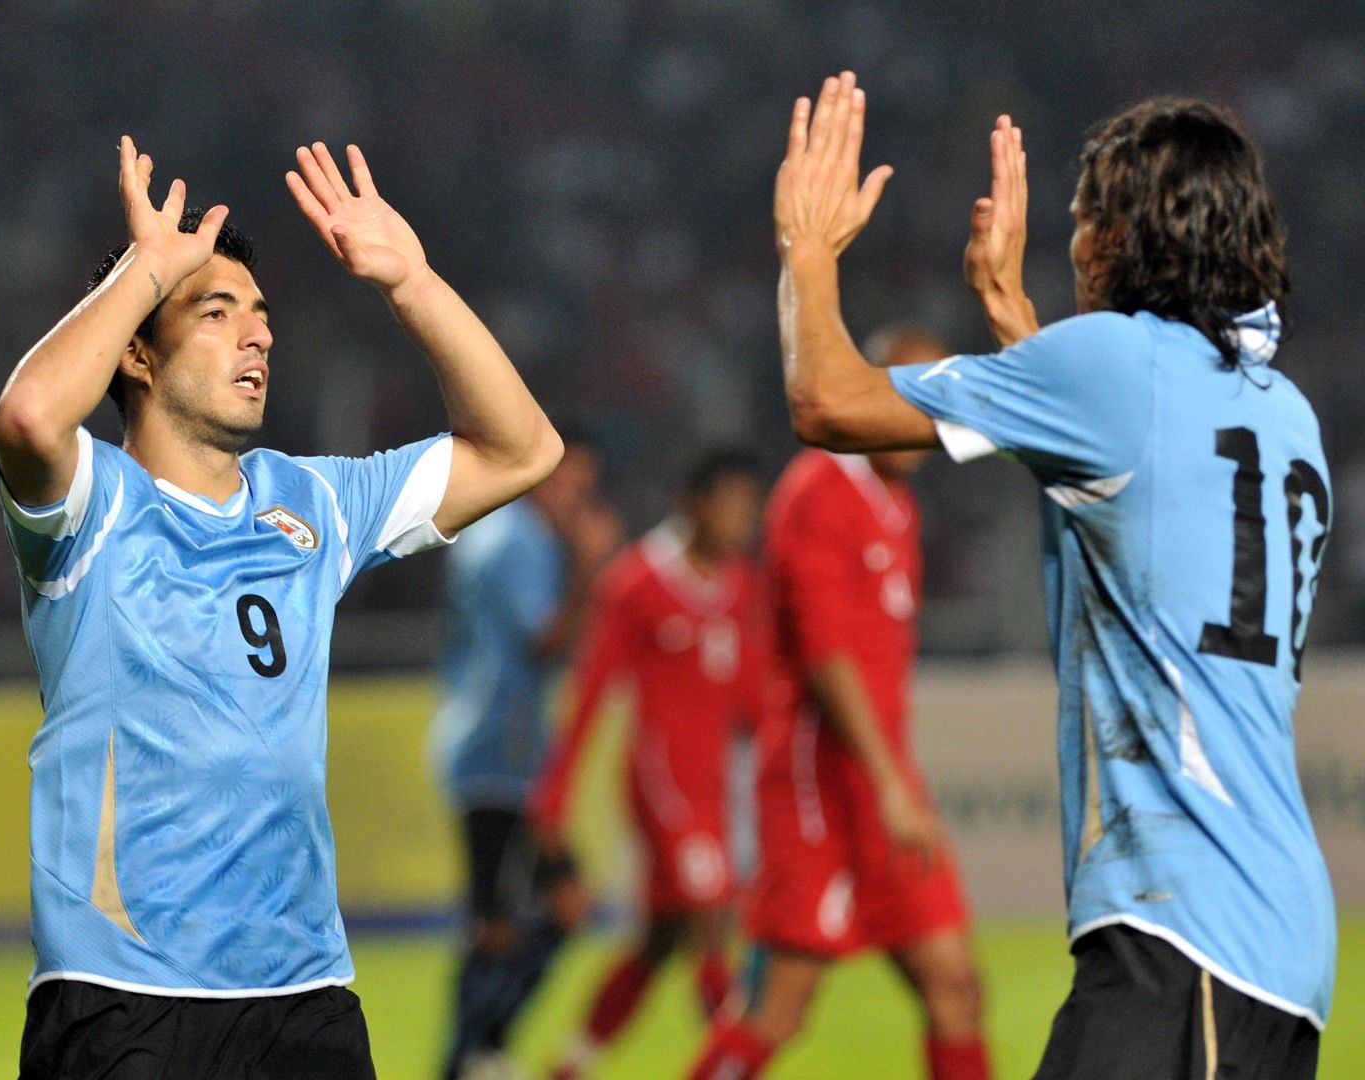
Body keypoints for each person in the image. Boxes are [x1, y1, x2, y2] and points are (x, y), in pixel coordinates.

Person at [735, 71, 1331, 1078]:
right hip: (1274, 940)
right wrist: (1011, 311)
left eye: (1083, 219)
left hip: (1186, 933)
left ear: (1134, 231)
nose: (1072, 243)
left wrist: (808, 244)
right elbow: (1121, 476)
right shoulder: (1283, 410)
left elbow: (827, 402)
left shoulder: (1112, 368)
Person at [0, 136, 562, 1080]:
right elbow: (28, 418)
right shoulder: (89, 507)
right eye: (218, 312)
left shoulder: (313, 502)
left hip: (305, 1001)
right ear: (137, 349)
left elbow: (520, 450)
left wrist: (410, 280)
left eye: (260, 315)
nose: (258, 335)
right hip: (126, 1000)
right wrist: (145, 270)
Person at [688, 327, 990, 1080]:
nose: (918, 420)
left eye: (933, 404)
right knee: (777, 1009)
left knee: (956, 987)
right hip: (819, 787)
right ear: (869, 393)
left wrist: (891, 779)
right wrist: (891, 782)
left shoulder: (899, 504)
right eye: (905, 395)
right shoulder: (817, 489)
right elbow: (828, 658)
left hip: (880, 781)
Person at [528, 447, 771, 1079]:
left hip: (717, 789)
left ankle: (570, 1065)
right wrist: (555, 794)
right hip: (662, 783)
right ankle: (728, 1067)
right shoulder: (637, 580)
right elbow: (592, 693)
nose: (743, 522)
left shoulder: (742, 583)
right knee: (715, 926)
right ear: (694, 505)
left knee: (660, 943)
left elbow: (750, 695)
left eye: (750, 509)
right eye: (731, 507)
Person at [427, 429, 622, 1080]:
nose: (578, 499)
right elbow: (545, 642)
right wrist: (590, 565)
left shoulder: (504, 535)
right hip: (495, 751)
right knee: (506, 922)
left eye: (587, 486)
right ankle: (470, 1057)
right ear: (538, 473)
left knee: (538, 911)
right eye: (570, 482)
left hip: (505, 752)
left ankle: (479, 1051)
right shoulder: (519, 543)